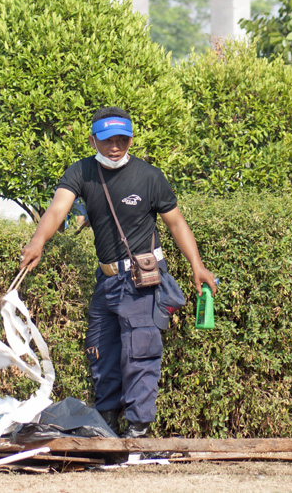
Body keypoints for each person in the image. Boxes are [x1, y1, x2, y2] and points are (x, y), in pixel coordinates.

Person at [20, 107, 217, 438]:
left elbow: (176, 222)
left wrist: (197, 265)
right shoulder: (82, 172)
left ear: (130, 139)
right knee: (102, 350)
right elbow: (57, 209)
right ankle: (107, 425)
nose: (115, 147)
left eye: (122, 140)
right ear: (93, 139)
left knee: (140, 352)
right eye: (108, 140)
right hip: (106, 280)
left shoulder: (149, 177)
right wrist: (37, 241)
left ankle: (138, 429)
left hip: (141, 279)